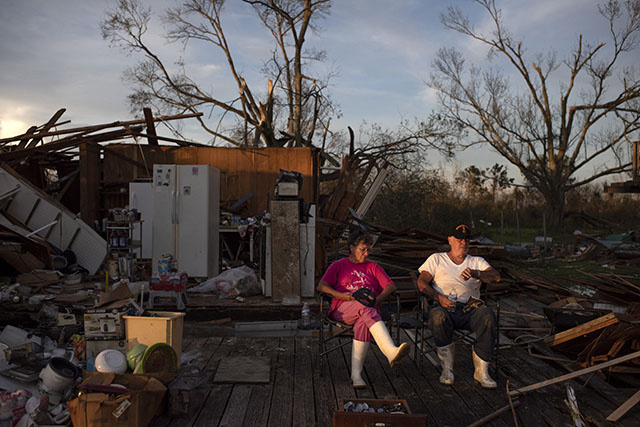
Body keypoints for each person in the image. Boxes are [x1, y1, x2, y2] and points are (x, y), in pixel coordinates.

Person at [317, 230, 410, 388]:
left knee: (364, 319)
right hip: (343, 309)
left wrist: (378, 300)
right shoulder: (338, 265)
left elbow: (390, 286)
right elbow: (321, 286)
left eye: (368, 250)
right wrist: (341, 295)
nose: (366, 253)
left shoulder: (373, 267)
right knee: (365, 308)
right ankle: (389, 351)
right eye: (363, 249)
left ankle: (356, 375)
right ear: (352, 248)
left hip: (368, 311)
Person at [416, 224, 501, 389]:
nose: (463, 242)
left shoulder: (476, 261)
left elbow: (496, 276)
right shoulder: (437, 259)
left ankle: (481, 371)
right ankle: (447, 369)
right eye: (459, 239)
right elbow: (421, 282)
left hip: (470, 309)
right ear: (450, 240)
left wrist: (477, 273)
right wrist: (438, 297)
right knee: (437, 316)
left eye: (466, 239)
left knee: (487, 315)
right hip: (444, 307)